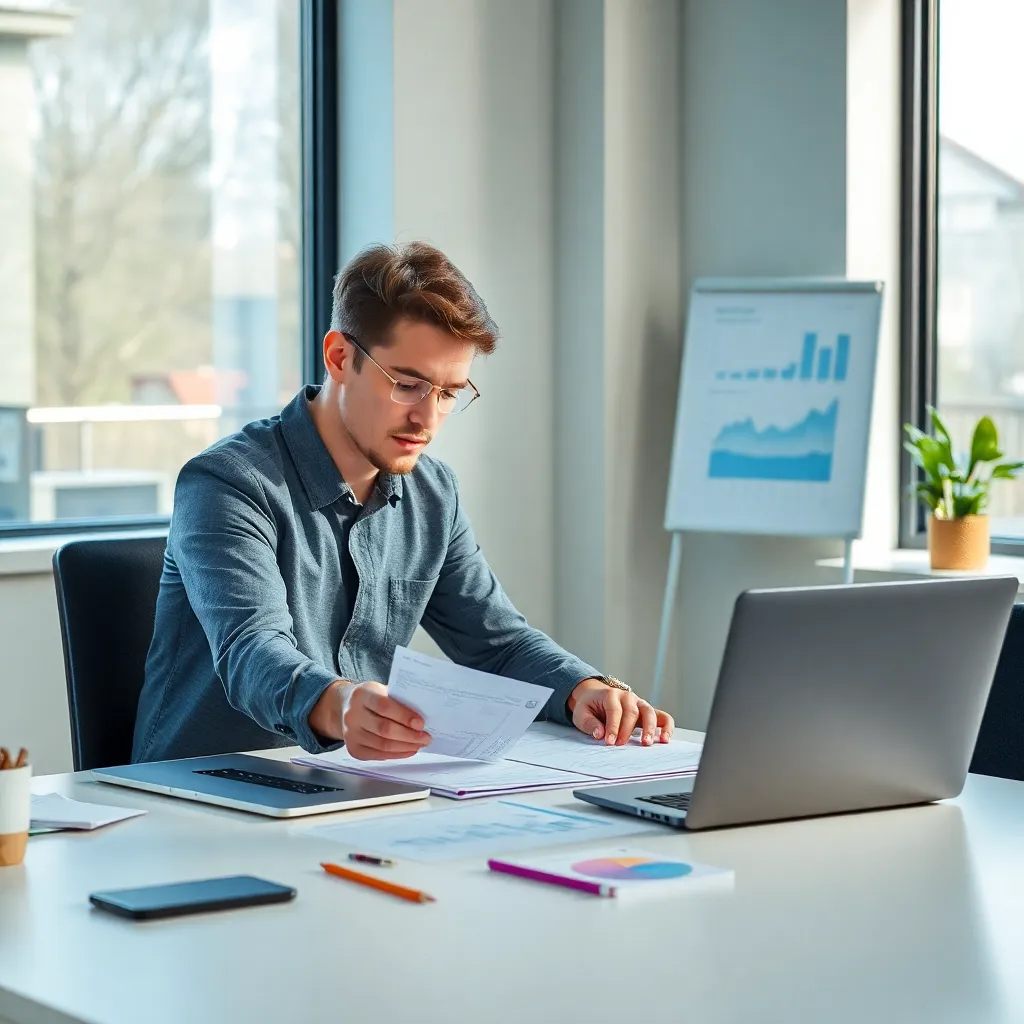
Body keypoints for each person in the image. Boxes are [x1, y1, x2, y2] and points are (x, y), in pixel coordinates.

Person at [132, 241, 674, 763]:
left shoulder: (433, 493)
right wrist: (340, 705)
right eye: (409, 385)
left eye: (448, 393)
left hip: (349, 789)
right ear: (340, 356)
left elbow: (496, 644)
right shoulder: (227, 483)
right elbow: (251, 650)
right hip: (200, 797)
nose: (428, 419)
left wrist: (582, 688)